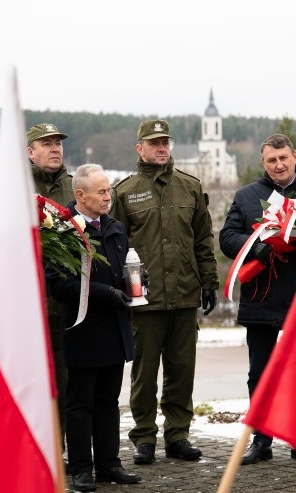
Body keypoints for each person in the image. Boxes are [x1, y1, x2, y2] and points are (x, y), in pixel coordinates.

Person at [111, 119, 219, 464]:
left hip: (185, 293)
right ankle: (144, 436)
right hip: (144, 299)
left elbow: (203, 239)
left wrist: (210, 281)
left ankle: (178, 434)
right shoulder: (125, 192)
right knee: (144, 373)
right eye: (154, 143)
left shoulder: (189, 187)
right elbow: (115, 247)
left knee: (181, 369)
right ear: (139, 148)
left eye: (165, 142)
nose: (161, 148)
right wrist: (121, 290)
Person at [219, 133, 296, 465]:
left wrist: (293, 240)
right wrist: (262, 245)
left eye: (283, 158)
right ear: (263, 162)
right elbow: (227, 238)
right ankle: (262, 439)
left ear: (294, 156)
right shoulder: (247, 196)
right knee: (261, 373)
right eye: (271, 160)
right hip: (261, 297)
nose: (278, 165)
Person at [46, 164, 141, 492]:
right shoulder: (62, 231)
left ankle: (109, 463)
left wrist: (135, 285)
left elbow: (123, 269)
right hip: (83, 328)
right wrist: (106, 293)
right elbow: (60, 285)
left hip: (114, 327)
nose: (108, 197)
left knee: (109, 400)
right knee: (81, 403)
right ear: (80, 195)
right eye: (101, 192)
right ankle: (82, 468)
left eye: (109, 190)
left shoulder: (114, 227)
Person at [26, 123, 73, 453]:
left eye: (58, 143)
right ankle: (35, 450)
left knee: (68, 381)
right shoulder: (13, 190)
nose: (55, 148)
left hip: (70, 303)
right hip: (30, 304)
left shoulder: (76, 187)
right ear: (30, 152)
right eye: (47, 143)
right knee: (33, 383)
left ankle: (62, 449)